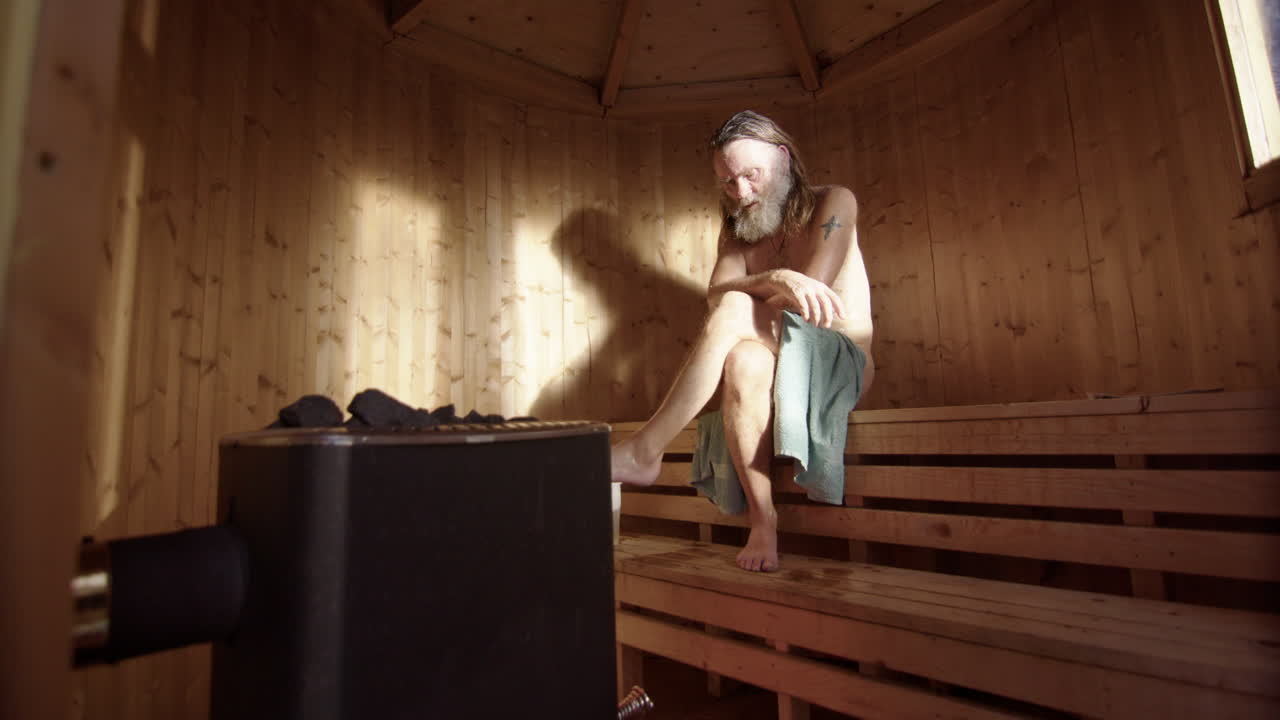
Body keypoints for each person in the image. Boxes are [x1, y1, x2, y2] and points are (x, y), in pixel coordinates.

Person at [610, 110, 875, 572]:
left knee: (737, 311)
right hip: (776, 354)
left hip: (839, 358)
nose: (742, 192)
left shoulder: (835, 203)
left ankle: (644, 451)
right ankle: (763, 522)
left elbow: (807, 300)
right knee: (743, 360)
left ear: (783, 157)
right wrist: (774, 275)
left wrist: (761, 287)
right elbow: (715, 294)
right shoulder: (739, 228)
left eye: (752, 176)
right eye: (729, 182)